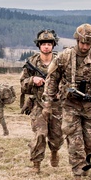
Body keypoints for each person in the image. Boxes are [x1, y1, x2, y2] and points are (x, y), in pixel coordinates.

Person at [45, 23, 91, 180]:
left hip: (90, 106)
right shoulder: (64, 57)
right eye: (82, 42)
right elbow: (52, 79)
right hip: (70, 104)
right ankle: (77, 172)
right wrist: (48, 102)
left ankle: (86, 160)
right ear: (77, 40)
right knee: (74, 138)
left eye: (88, 44)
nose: (84, 46)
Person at [22, 29, 63, 172]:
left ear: (53, 45)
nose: (46, 46)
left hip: (56, 105)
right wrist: (32, 80)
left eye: (49, 44)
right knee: (40, 134)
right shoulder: (32, 62)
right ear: (39, 46)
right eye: (43, 44)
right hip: (38, 104)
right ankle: (36, 164)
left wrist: (60, 90)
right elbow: (22, 84)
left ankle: (54, 152)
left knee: (57, 136)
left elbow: (69, 80)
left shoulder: (60, 61)